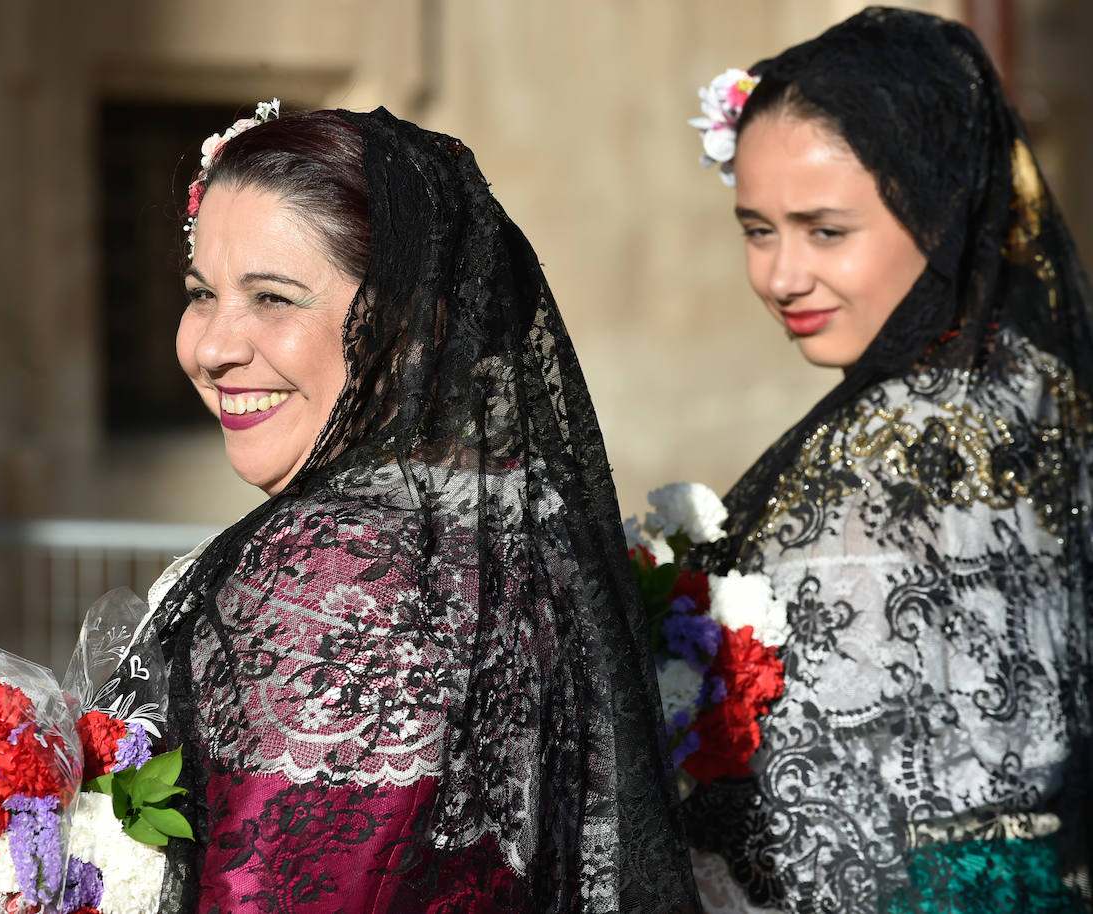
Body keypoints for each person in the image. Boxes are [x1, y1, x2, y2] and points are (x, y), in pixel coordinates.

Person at [103, 105, 700, 912]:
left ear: (420, 323)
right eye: (200, 293)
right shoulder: (514, 517)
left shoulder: (334, 564)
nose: (212, 347)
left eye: (274, 299)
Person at [682, 7, 1093, 913]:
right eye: (758, 229)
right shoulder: (1038, 387)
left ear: (940, 211)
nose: (782, 276)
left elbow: (816, 829)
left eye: (826, 231)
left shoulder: (875, 468)